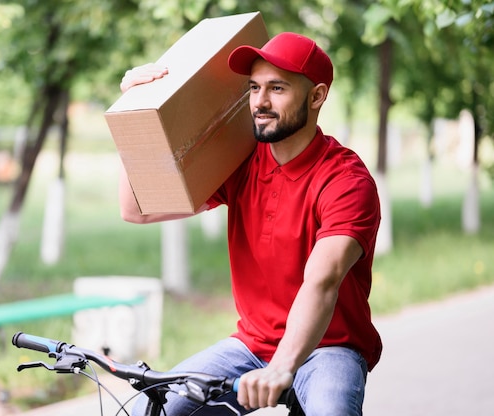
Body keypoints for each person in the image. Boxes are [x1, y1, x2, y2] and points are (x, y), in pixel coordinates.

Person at [118, 32, 382, 416]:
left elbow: (322, 282)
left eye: (277, 88)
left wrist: (282, 367)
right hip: (251, 345)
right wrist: (133, 113)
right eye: (254, 87)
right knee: (149, 408)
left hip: (330, 347)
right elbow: (137, 210)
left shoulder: (345, 180)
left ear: (316, 96)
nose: (260, 101)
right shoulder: (241, 162)